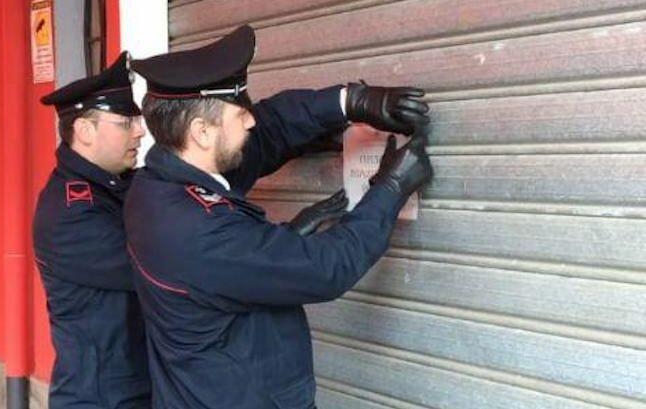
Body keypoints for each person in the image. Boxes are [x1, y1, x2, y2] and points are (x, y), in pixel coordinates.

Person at [124, 25, 433, 409]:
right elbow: (325, 268)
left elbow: (268, 130)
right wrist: (390, 189)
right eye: (240, 113)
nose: (251, 120)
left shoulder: (156, 185)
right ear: (201, 131)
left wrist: (351, 101)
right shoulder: (195, 227)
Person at [33, 52, 150, 408]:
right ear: (84, 130)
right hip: (100, 398)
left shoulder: (118, 185)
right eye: (125, 122)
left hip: (139, 387)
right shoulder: (68, 214)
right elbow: (156, 266)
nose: (140, 130)